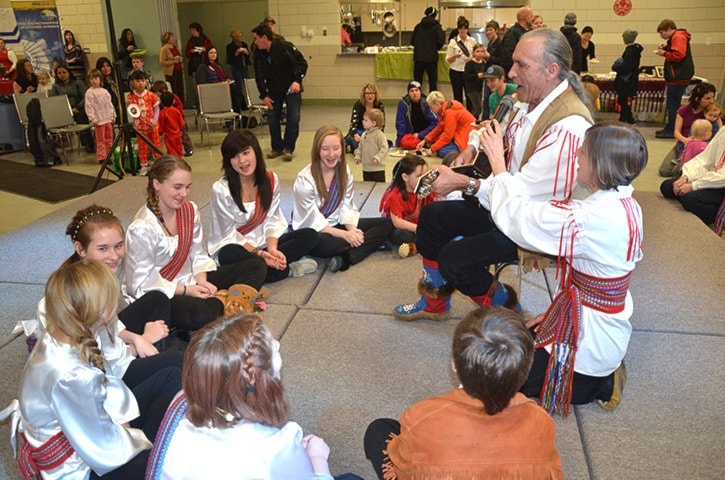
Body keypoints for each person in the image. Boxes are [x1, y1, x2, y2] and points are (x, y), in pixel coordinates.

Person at [394, 28, 594, 323]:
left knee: (454, 259)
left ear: (551, 70)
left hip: (534, 226)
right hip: (505, 204)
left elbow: (523, 203)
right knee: (433, 217)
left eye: (521, 65)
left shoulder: (567, 127)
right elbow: (495, 130)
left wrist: (464, 182)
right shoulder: (532, 101)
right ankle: (434, 303)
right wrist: (469, 150)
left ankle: (506, 308)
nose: (511, 73)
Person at [480, 122, 646, 416]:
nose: (577, 157)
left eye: (582, 153)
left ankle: (600, 383)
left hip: (589, 348)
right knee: (519, 341)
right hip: (599, 322)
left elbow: (520, 219)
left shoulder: (589, 218)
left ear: (599, 165)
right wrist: (558, 313)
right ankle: (605, 368)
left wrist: (498, 164)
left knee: (501, 375)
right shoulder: (624, 202)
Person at [4, 260, 181, 479]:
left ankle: (158, 441)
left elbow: (99, 395)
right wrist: (140, 441)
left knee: (171, 377)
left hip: (82, 430)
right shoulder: (72, 374)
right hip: (77, 464)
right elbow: (106, 449)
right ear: (101, 312)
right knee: (166, 465)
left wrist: (122, 420)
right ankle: (158, 447)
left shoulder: (60, 332)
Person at [146, 313, 363, 480]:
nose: (277, 344)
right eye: (273, 347)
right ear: (257, 379)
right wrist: (318, 459)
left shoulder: (179, 402)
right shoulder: (277, 449)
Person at [364, 307, 563, 479]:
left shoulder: (422, 417)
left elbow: (405, 472)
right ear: (526, 370)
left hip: (427, 437)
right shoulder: (541, 420)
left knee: (379, 430)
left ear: (454, 365)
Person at [124, 156, 268, 334]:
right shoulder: (142, 228)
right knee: (200, 314)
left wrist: (203, 282)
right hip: (165, 293)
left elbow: (198, 254)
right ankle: (230, 300)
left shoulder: (189, 210)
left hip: (193, 279)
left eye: (187, 187)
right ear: (157, 184)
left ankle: (226, 303)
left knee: (256, 265)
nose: (184, 194)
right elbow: (138, 285)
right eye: (177, 187)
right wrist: (187, 290)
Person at [59, 205, 174, 355]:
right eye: (103, 249)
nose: (114, 256)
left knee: (158, 299)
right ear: (80, 249)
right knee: (174, 362)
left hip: (108, 339)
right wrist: (145, 339)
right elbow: (101, 358)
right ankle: (158, 357)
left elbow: (111, 324)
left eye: (118, 246)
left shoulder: (101, 272)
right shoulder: (79, 290)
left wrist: (136, 338)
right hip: (98, 362)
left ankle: (158, 354)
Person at [208, 130, 320, 283]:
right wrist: (260, 254)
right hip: (239, 248)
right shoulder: (221, 189)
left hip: (265, 243)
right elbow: (227, 235)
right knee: (228, 253)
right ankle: (282, 270)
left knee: (310, 235)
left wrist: (272, 250)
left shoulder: (270, 179)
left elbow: (272, 221)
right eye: (234, 156)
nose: (242, 161)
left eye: (246, 153)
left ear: (256, 152)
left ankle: (262, 269)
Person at [292, 125, 393, 273]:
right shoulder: (305, 179)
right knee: (328, 245)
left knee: (386, 223)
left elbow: (347, 206)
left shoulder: (344, 171)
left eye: (336, 148)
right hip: (315, 231)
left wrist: (352, 230)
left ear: (342, 148)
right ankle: (365, 246)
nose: (331, 154)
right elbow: (311, 221)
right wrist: (346, 235)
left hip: (337, 223)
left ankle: (348, 256)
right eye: (325, 149)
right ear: (317, 150)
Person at [252, 24, 308, 162]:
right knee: (272, 119)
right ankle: (277, 148)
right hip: (274, 90)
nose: (255, 42)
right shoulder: (258, 53)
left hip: (291, 87)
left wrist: (297, 81)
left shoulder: (285, 47)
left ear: (264, 38)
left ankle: (289, 148)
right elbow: (259, 76)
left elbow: (302, 63)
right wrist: (263, 95)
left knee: (293, 118)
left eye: (256, 38)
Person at [660, 128, 725, 227]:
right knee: (667, 186)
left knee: (690, 199)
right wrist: (685, 177)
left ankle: (718, 214)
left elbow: (722, 178)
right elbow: (704, 159)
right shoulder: (723, 131)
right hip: (712, 180)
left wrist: (694, 186)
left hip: (721, 184)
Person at [379, 154, 435, 256]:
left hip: (418, 226)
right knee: (401, 235)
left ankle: (423, 241)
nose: (424, 179)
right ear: (405, 177)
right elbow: (397, 223)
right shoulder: (394, 195)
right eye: (419, 176)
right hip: (399, 228)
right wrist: (421, 229)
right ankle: (421, 243)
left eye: (425, 175)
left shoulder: (423, 188)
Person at [657, 82, 717, 177]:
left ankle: (684, 167)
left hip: (702, 146)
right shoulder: (684, 110)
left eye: (713, 97)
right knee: (664, 171)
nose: (711, 101)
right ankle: (682, 165)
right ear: (697, 99)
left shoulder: (711, 113)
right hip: (683, 143)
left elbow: (720, 131)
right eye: (707, 98)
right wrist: (686, 141)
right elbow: (676, 132)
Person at [655, 19, 695, 139]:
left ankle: (673, 129)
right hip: (677, 76)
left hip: (678, 76)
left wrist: (664, 54)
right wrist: (667, 48)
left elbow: (678, 55)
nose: (661, 36)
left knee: (673, 105)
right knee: (672, 104)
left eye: (662, 33)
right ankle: (670, 127)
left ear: (669, 29)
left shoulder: (679, 37)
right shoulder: (676, 38)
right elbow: (675, 51)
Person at [417, 91, 475, 158]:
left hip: (466, 139)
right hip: (463, 135)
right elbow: (439, 128)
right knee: (438, 146)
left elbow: (447, 137)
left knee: (442, 151)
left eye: (431, 107)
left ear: (437, 104)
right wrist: (425, 140)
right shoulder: (446, 109)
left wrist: (432, 149)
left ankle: (464, 153)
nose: (431, 110)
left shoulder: (449, 113)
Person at [50, 64, 94, 153]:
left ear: (69, 73)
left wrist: (77, 107)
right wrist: (67, 110)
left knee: (82, 117)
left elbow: (86, 97)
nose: (62, 75)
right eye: (59, 73)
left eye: (64, 72)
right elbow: (54, 100)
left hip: (79, 108)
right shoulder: (55, 86)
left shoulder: (78, 83)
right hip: (64, 111)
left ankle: (88, 143)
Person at [126, 70, 161, 175]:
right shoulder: (130, 96)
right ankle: (143, 165)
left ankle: (158, 164)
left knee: (156, 144)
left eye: (142, 80)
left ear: (146, 81)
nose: (140, 83)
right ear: (132, 82)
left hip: (151, 125)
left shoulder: (151, 95)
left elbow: (156, 109)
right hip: (139, 127)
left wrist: (154, 120)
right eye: (137, 81)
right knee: (142, 146)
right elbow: (131, 110)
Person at [151, 80, 194, 156]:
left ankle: (188, 149)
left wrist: (160, 132)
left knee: (183, 138)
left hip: (174, 126)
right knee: (179, 142)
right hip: (175, 126)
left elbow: (179, 106)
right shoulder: (164, 106)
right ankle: (178, 154)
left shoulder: (171, 100)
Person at [410, 6, 445, 93]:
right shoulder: (437, 27)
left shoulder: (418, 26)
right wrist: (434, 47)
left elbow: (412, 41)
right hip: (432, 58)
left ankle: (417, 101)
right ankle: (432, 103)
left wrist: (419, 47)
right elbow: (441, 41)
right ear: (435, 15)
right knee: (432, 83)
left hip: (419, 58)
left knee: (417, 82)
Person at [85, 69, 116, 164]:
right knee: (101, 140)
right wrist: (93, 118)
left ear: (100, 79)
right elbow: (89, 107)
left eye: (96, 78)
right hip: (99, 121)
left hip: (107, 119)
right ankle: (102, 157)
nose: (94, 80)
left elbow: (110, 104)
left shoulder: (105, 91)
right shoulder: (89, 93)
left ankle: (109, 155)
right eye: (92, 79)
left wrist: (113, 115)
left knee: (109, 138)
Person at [395, 80, 436, 150]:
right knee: (405, 142)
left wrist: (420, 135)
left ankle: (423, 143)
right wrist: (399, 141)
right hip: (411, 136)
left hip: (425, 134)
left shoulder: (426, 102)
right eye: (411, 91)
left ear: (420, 92)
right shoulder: (403, 103)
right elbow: (400, 124)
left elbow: (435, 122)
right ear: (408, 93)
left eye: (416, 90)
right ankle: (422, 144)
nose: (414, 93)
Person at [612, 29, 642, 125]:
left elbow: (627, 67)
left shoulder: (630, 51)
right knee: (623, 99)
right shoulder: (635, 50)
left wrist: (616, 68)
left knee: (622, 99)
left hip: (626, 80)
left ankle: (627, 118)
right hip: (631, 79)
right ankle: (626, 117)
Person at [345, 83, 386, 153]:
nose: (370, 96)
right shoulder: (358, 105)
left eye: (372, 93)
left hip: (373, 132)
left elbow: (381, 124)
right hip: (359, 131)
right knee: (355, 141)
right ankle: (350, 143)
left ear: (376, 94)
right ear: (364, 95)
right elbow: (353, 125)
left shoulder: (379, 105)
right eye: (367, 93)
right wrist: (356, 135)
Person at [446, 16, 478, 107]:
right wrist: (455, 56)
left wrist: (471, 57)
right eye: (460, 28)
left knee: (469, 96)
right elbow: (448, 59)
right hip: (456, 71)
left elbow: (477, 54)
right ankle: (458, 116)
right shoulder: (453, 41)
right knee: (457, 96)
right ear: (458, 29)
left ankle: (469, 116)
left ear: (467, 29)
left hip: (468, 72)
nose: (463, 31)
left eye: (465, 28)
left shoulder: (472, 41)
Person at [354, 108, 388, 182]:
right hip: (366, 168)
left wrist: (378, 157)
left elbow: (384, 148)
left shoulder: (379, 135)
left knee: (378, 187)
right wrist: (358, 156)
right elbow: (360, 147)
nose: (363, 122)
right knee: (367, 186)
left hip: (378, 169)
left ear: (373, 123)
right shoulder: (364, 134)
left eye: (365, 120)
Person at [26, 98, 62, 167]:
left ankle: (42, 159)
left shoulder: (33, 124)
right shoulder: (40, 124)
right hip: (40, 129)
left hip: (37, 129)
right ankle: (50, 158)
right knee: (43, 139)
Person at [499, 6, 533, 79]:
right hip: (514, 76)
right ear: (525, 17)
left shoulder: (525, 32)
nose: (532, 19)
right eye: (531, 16)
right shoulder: (513, 33)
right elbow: (507, 56)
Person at [226, 29, 250, 110]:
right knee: (239, 87)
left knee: (248, 85)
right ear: (235, 37)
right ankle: (242, 104)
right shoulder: (230, 47)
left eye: (241, 35)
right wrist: (236, 53)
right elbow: (230, 59)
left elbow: (248, 57)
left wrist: (247, 53)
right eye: (239, 36)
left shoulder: (244, 44)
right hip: (236, 67)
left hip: (244, 67)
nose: (241, 37)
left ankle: (250, 102)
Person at [159, 32, 185, 104]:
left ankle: (181, 104)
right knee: (173, 89)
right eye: (171, 37)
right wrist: (173, 61)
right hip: (171, 72)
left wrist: (180, 59)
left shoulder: (175, 47)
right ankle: (174, 103)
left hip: (178, 69)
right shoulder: (164, 49)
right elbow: (162, 62)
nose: (173, 38)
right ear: (167, 39)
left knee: (180, 88)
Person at [463, 43, 487, 120]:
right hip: (471, 89)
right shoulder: (470, 63)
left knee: (475, 107)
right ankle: (470, 120)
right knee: (478, 108)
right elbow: (466, 76)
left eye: (481, 51)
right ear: (473, 52)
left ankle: (473, 122)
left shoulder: (483, 63)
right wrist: (477, 76)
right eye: (477, 51)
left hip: (479, 88)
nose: (480, 53)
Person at [158, 91, 186, 156]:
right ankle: (179, 159)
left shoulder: (162, 113)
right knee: (178, 148)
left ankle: (174, 161)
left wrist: (160, 133)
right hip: (178, 133)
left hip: (169, 135)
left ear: (161, 102)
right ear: (173, 101)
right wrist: (181, 130)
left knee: (171, 149)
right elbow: (181, 122)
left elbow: (161, 125)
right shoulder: (176, 111)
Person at [96, 57, 121, 121]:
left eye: (108, 66)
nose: (106, 68)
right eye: (103, 67)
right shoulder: (100, 84)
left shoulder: (116, 79)